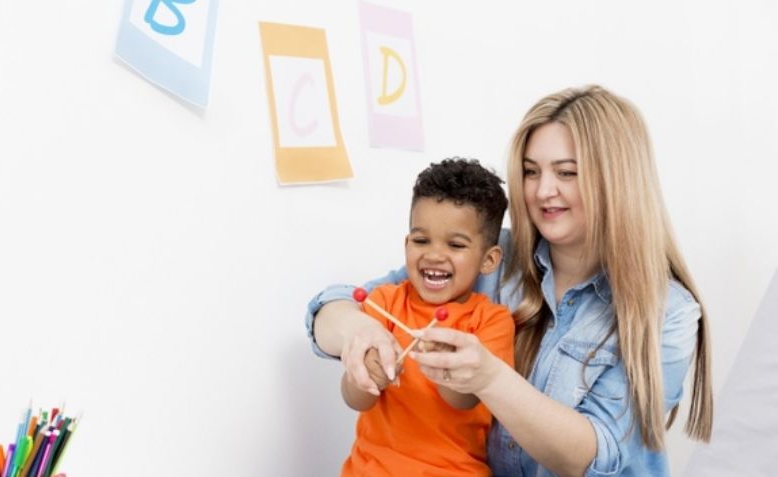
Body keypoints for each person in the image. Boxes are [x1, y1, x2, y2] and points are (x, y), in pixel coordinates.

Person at [305, 85, 713, 477]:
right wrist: (360, 332)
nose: (543, 191)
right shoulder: (485, 256)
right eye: (531, 171)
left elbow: (594, 457)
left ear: (618, 180)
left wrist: (489, 377)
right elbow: (333, 305)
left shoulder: (669, 312)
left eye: (567, 172)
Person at [338, 158, 515, 477]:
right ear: (407, 244)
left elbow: (465, 400)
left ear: (489, 260)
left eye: (456, 244)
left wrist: (445, 365)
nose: (433, 254)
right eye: (421, 240)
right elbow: (355, 400)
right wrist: (364, 378)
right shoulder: (383, 303)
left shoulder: (491, 321)